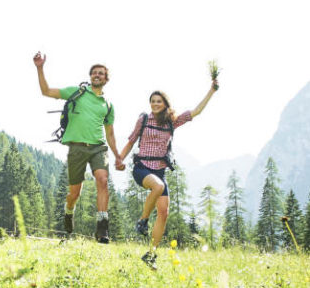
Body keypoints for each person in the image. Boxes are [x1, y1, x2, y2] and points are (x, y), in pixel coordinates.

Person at [118, 79, 218, 268]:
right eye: (152, 101)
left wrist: (211, 91)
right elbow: (131, 141)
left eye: (159, 101)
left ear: (165, 104)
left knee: (163, 213)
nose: (155, 104)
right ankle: (143, 220)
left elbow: (195, 111)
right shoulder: (144, 119)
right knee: (158, 186)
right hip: (142, 167)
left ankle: (151, 254)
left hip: (160, 169)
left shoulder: (172, 121)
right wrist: (119, 158)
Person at [33, 52, 122, 243]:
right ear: (91, 77)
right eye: (94, 73)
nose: (97, 75)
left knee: (102, 179)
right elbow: (46, 91)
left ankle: (102, 228)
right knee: (74, 193)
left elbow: (110, 134)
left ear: (106, 79)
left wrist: (117, 155)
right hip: (77, 148)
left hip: (99, 147)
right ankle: (69, 211)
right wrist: (40, 68)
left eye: (101, 73)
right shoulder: (77, 92)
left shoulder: (108, 105)